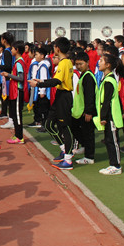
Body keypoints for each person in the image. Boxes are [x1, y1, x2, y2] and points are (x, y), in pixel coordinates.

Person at [32, 37, 74, 169]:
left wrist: (39, 84)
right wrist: (40, 81)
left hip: (64, 97)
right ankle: (63, 149)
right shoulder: (63, 63)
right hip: (60, 96)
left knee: (64, 127)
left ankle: (68, 159)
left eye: (55, 46)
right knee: (49, 124)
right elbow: (56, 79)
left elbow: (57, 81)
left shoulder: (65, 63)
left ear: (58, 49)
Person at [69, 51, 97, 165]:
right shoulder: (83, 75)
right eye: (77, 64)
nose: (79, 66)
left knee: (88, 133)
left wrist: (89, 111)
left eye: (81, 64)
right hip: (80, 110)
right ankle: (85, 146)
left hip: (86, 111)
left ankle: (89, 157)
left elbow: (90, 95)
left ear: (87, 63)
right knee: (76, 127)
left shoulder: (88, 77)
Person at [2, 41, 27, 144]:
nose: (11, 50)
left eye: (12, 49)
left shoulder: (20, 63)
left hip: (18, 91)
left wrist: (8, 75)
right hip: (14, 91)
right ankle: (17, 135)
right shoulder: (17, 62)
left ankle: (20, 136)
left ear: (16, 50)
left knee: (17, 114)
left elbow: (21, 78)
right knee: (14, 113)